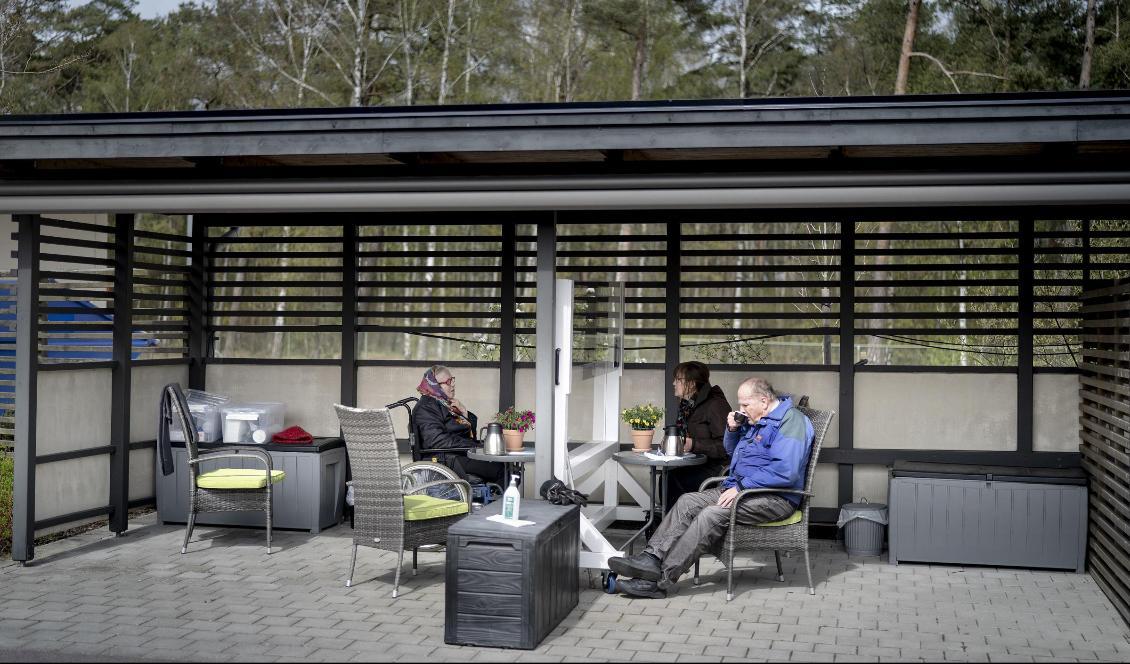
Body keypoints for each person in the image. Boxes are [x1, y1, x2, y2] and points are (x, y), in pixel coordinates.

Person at [609, 377, 814, 599]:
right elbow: (731, 451)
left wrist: (743, 486)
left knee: (711, 515)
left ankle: (658, 582)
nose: (741, 410)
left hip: (775, 498)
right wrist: (732, 429)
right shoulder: (758, 419)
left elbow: (785, 471)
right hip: (742, 490)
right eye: (740, 405)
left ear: (764, 401)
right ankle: (651, 559)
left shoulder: (792, 422)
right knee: (688, 501)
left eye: (745, 405)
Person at [412, 365, 504, 486]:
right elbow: (436, 440)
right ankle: (499, 503)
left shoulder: (445, 405)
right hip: (444, 458)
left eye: (452, 380)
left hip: (456, 454)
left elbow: (467, 436)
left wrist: (464, 412)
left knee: (506, 465)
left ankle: (497, 500)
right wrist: (474, 446)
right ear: (434, 385)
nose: (453, 385)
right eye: (448, 382)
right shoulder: (426, 407)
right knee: (502, 468)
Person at [666, 361, 732, 511]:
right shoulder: (688, 405)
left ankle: (673, 524)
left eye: (678, 379)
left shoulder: (715, 405)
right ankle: (669, 522)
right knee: (668, 477)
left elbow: (726, 446)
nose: (673, 383)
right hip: (700, 464)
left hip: (719, 468)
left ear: (692, 383)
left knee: (672, 479)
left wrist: (693, 445)